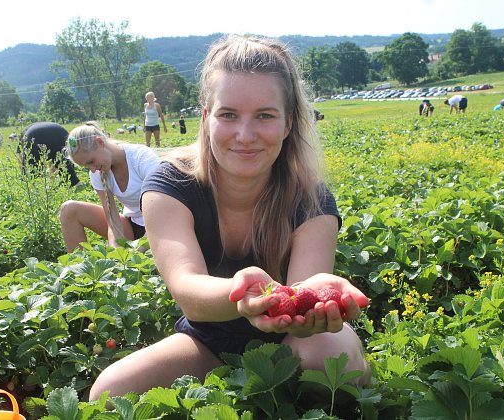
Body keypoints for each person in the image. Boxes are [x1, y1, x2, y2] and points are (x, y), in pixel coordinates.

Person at [89, 34, 370, 400]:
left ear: (288, 124)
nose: (245, 135)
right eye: (228, 115)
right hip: (208, 340)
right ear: (206, 119)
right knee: (109, 393)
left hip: (292, 342)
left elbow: (302, 305)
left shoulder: (310, 199)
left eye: (265, 116)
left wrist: (314, 299)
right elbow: (188, 290)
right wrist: (247, 293)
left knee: (331, 356)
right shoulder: (170, 185)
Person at [59, 121, 161, 253]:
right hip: (133, 225)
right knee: (69, 209)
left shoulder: (141, 158)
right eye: (87, 166)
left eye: (91, 161)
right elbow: (112, 219)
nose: (92, 169)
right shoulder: (97, 172)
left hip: (162, 222)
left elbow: (162, 209)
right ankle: (77, 266)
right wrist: (115, 252)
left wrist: (140, 250)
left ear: (100, 142)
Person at [17, 122, 82, 188]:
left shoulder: (24, 133)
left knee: (29, 177)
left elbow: (19, 155)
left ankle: (36, 189)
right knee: (66, 169)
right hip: (59, 132)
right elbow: (53, 158)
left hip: (34, 136)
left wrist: (23, 171)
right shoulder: (37, 127)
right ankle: (75, 185)